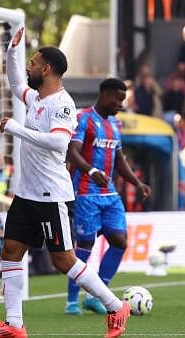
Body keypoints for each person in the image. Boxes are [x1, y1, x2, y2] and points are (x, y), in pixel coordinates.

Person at [0, 27, 131, 338]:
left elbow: (59, 144)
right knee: (10, 251)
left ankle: (116, 307)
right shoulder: (35, 98)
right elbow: (16, 82)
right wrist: (10, 52)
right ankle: (14, 325)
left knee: (63, 260)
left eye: (33, 62)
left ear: (46, 68)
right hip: (26, 193)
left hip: (52, 195)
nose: (29, 67)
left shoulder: (61, 104)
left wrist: (15, 128)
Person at [65, 78, 152, 315]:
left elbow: (119, 159)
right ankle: (72, 302)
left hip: (110, 194)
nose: (120, 104)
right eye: (118, 99)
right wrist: (91, 171)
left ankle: (97, 295)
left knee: (120, 242)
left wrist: (136, 182)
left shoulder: (115, 124)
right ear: (104, 94)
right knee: (85, 246)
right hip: (86, 193)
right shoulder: (83, 118)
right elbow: (72, 152)